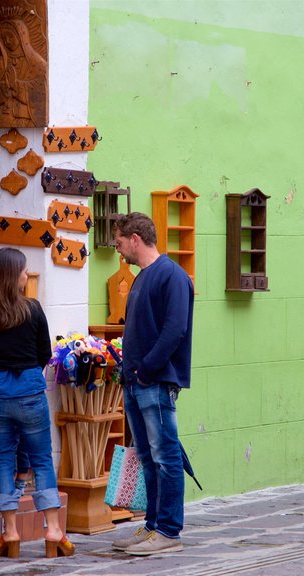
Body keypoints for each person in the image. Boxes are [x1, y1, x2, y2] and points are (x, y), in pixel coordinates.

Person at [0, 248, 74, 559]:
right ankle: (53, 530)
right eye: (24, 271)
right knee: (41, 459)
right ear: (14, 276)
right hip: (28, 392)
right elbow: (43, 353)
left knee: (1, 459)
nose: (27, 276)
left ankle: (9, 533)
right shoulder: (33, 309)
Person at [110, 213, 194, 556]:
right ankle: (153, 525)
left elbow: (175, 330)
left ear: (135, 238)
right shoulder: (142, 277)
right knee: (148, 457)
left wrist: (146, 370)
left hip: (154, 382)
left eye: (118, 242)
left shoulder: (171, 275)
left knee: (166, 456)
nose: (118, 249)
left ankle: (169, 530)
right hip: (136, 382)